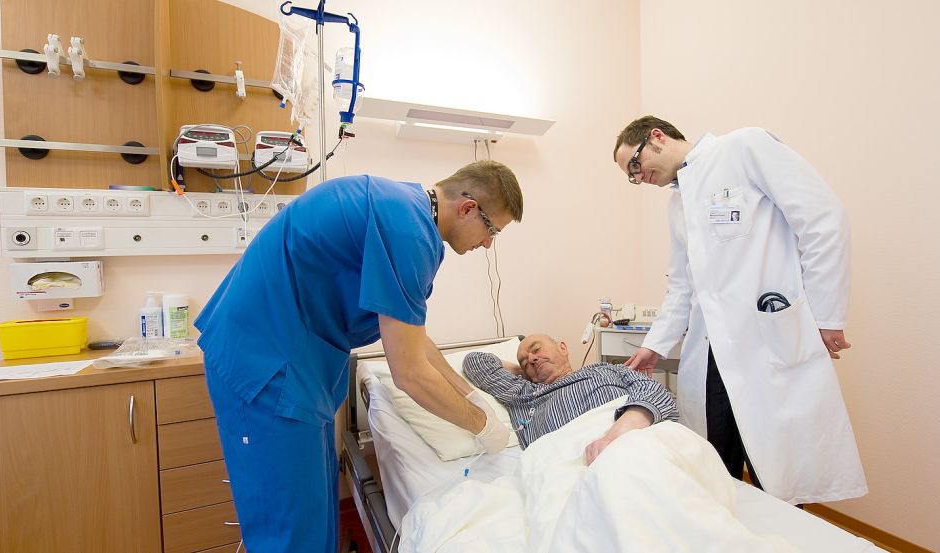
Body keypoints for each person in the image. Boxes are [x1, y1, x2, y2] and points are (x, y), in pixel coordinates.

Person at [194, 161, 522, 553]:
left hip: (295, 366)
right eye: (492, 230)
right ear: (467, 208)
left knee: (314, 518)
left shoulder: (406, 211)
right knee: (290, 534)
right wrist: (482, 426)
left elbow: (413, 338)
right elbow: (410, 373)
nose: (488, 245)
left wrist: (469, 394)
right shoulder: (407, 230)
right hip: (263, 364)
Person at [612, 115, 867, 505]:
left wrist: (826, 316)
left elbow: (822, 220)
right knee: (716, 470)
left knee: (777, 473)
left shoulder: (744, 149)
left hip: (766, 342)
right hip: (711, 353)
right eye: (630, 176)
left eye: (634, 164)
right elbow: (682, 285)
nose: (637, 177)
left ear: (656, 138)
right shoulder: (677, 204)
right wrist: (655, 345)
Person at [463, 334, 677, 465]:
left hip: (635, 438)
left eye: (536, 349)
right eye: (525, 361)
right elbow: (476, 361)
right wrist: (526, 371)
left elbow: (655, 392)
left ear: (562, 348)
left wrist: (612, 438)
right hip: (572, 459)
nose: (532, 358)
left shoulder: (606, 369)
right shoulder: (525, 394)